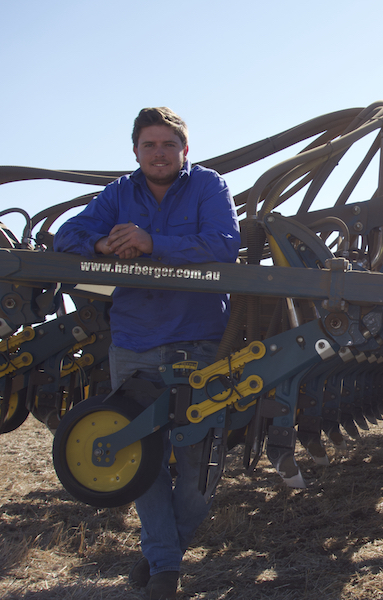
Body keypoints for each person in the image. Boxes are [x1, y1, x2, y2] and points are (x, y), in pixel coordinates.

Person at [54, 107, 240, 600]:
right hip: (134, 343)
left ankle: (162, 552)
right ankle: (165, 568)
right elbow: (66, 236)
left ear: (185, 149)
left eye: (168, 145)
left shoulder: (208, 187)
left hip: (198, 342)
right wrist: (102, 242)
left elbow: (224, 245)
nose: (159, 153)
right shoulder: (119, 194)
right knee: (143, 462)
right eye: (149, 145)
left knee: (199, 468)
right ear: (135, 150)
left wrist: (150, 241)